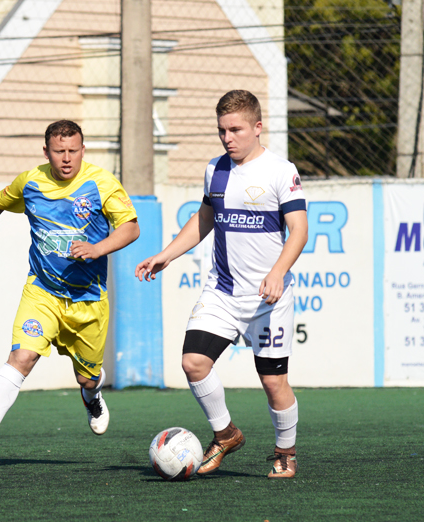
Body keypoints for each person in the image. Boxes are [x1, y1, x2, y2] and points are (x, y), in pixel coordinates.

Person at [135, 90, 308, 479]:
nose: (228, 138)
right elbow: (204, 219)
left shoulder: (282, 171)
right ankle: (226, 434)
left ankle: (286, 451)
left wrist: (278, 271)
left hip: (268, 299)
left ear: (258, 127)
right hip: (223, 292)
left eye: (236, 129)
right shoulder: (216, 170)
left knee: (273, 382)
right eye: (222, 131)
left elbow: (299, 229)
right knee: (193, 362)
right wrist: (167, 254)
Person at [0, 120, 139, 467]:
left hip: (88, 300)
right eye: (59, 151)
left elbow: (130, 227)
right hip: (42, 291)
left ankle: (92, 395)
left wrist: (98, 248)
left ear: (83, 150)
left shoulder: (101, 183)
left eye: (73, 151)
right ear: (46, 152)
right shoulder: (31, 181)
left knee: (87, 376)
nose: (66, 159)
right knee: (22, 357)